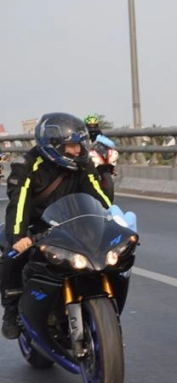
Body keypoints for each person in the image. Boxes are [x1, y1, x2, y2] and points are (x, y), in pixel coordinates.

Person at [1, 113, 112, 339]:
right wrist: (18, 237)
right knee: (10, 257)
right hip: (36, 226)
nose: (78, 151)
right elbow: (19, 203)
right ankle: (11, 310)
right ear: (53, 146)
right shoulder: (27, 166)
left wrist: (103, 174)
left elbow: (102, 201)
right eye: (71, 146)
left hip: (72, 222)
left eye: (80, 145)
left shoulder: (83, 163)